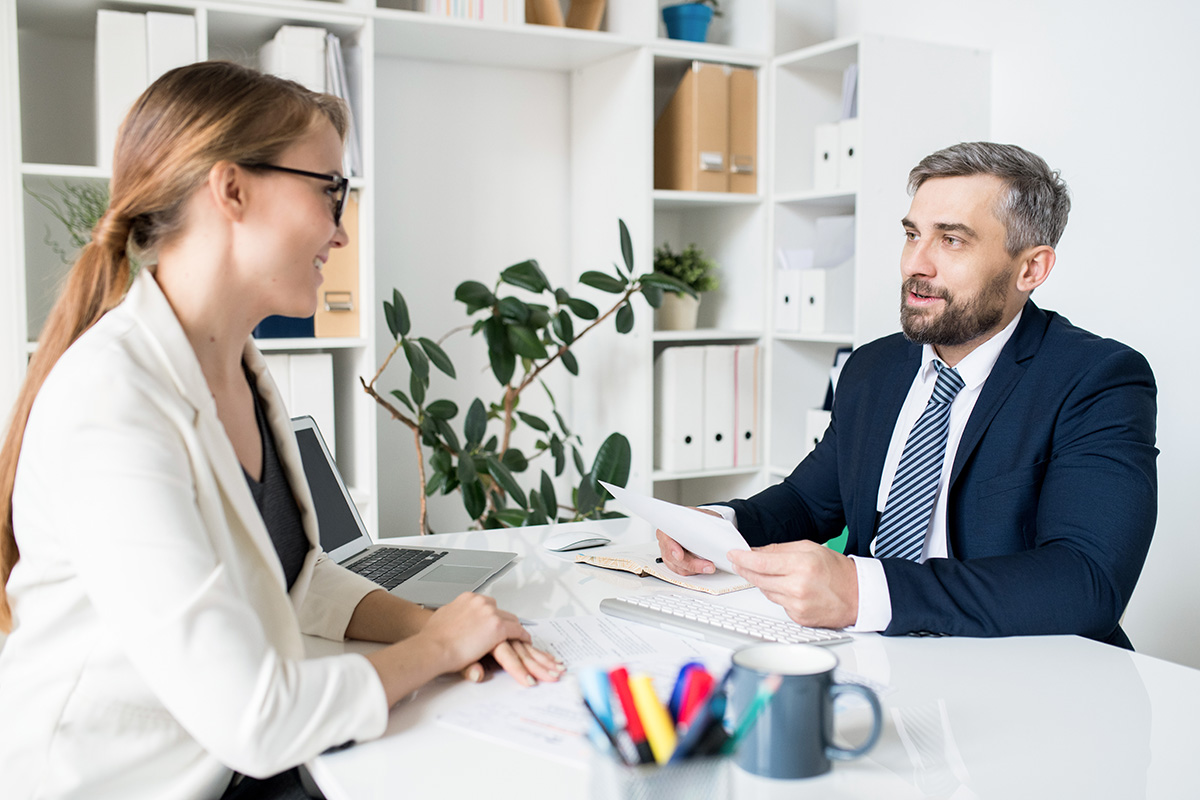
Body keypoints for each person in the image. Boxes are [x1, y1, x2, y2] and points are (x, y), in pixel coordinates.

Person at [0, 61, 562, 800]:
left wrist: (440, 627)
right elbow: (256, 719)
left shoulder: (237, 364)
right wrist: (436, 647)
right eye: (330, 189)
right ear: (231, 189)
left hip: (232, 765)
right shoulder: (110, 403)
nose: (340, 228)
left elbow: (293, 577)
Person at [657, 142, 1157, 649]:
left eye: (952, 240)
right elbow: (809, 501)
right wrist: (719, 524)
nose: (916, 264)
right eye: (912, 234)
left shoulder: (1098, 379)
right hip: (870, 654)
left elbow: (1087, 582)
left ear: (1031, 269)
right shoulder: (875, 367)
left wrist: (862, 591)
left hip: (1021, 674)